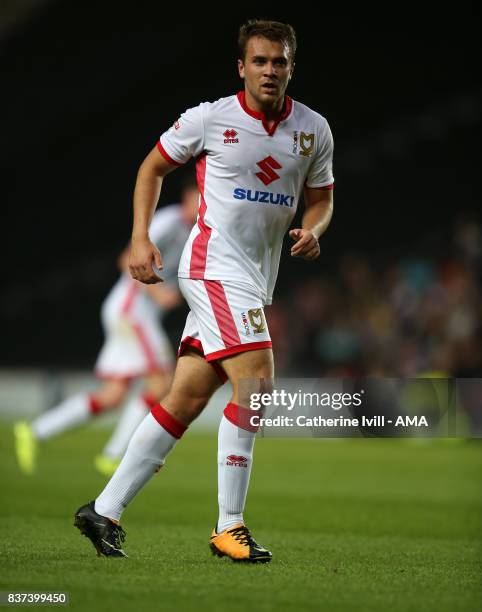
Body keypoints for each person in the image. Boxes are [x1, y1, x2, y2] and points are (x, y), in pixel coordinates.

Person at [74, 19, 334, 563]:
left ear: (291, 66)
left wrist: (315, 229)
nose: (270, 71)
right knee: (257, 385)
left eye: (279, 62)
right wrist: (140, 237)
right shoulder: (211, 118)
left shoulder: (313, 130)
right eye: (259, 61)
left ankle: (104, 508)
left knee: (185, 399)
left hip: (255, 279)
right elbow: (151, 169)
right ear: (241, 67)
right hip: (212, 267)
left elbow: (321, 197)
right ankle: (229, 526)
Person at [14, 178, 199, 476]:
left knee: (113, 395)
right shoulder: (170, 220)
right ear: (189, 196)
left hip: (130, 312)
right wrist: (158, 293)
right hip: (133, 310)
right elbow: (128, 258)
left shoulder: (192, 232)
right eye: (201, 196)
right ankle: (116, 454)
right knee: (161, 382)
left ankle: (35, 431)